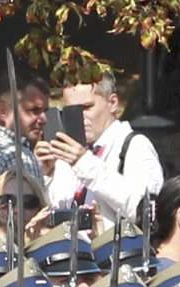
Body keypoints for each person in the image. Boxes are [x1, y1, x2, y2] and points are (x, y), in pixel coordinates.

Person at [46, 75, 168, 231]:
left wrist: (84, 164)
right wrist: (46, 174)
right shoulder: (68, 153)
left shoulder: (134, 145)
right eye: (71, 110)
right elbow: (56, 209)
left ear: (112, 103)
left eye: (86, 107)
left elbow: (146, 212)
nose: (79, 117)